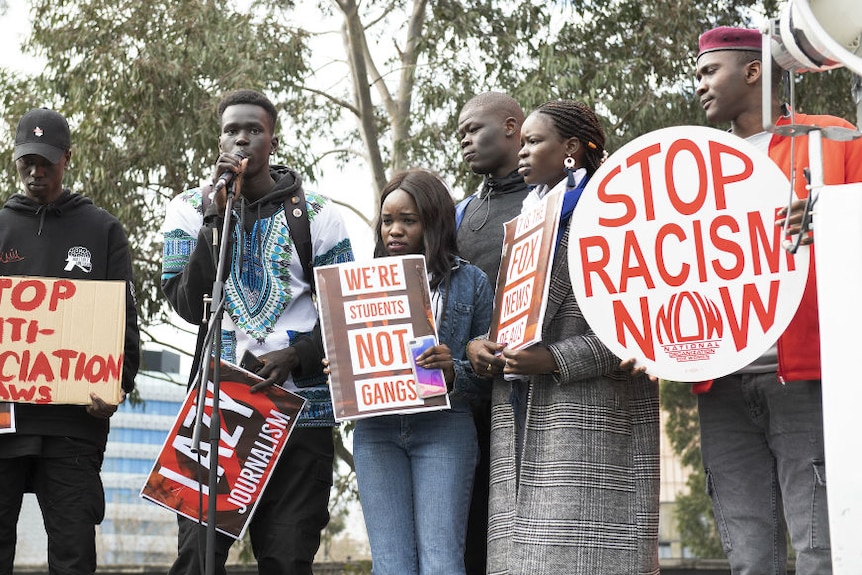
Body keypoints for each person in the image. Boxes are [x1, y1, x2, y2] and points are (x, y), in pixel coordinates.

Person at [160, 89, 354, 575]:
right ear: (219, 138)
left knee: (288, 558)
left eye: (253, 130)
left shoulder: (317, 214)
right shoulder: (188, 209)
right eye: (231, 130)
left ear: (272, 137)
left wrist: (297, 356)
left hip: (301, 412)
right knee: (197, 558)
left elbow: (345, 309)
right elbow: (186, 304)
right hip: (216, 409)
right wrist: (213, 219)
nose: (241, 139)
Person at [693, 26, 862, 575]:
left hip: (804, 375)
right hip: (719, 384)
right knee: (748, 558)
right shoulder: (693, 166)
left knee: (822, 550)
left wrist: (832, 218)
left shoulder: (833, 139)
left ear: (753, 70)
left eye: (707, 71)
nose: (698, 86)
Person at [467, 99, 661, 575]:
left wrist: (552, 359)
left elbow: (643, 326)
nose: (523, 153)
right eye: (524, 142)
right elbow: (509, 319)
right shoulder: (529, 220)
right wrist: (483, 348)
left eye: (535, 142)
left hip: (595, 423)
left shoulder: (617, 213)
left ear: (571, 148)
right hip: (518, 422)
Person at [0, 108, 140, 574]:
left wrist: (117, 385)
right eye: (27, 162)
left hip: (74, 425)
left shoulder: (102, 230)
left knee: (74, 553)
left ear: (67, 160)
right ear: (15, 161)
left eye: (47, 162)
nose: (36, 172)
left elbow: (123, 323)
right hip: (4, 421)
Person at [353, 168, 494, 575]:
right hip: (376, 431)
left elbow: (490, 376)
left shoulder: (471, 283)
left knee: (441, 561)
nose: (394, 230)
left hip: (445, 427)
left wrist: (454, 372)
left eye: (408, 221)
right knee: (391, 565)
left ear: (432, 222)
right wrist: (340, 369)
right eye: (387, 220)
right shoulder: (360, 283)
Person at [455, 91, 531, 575]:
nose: (463, 141)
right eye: (459, 134)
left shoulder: (554, 200)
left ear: (510, 126)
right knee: (469, 536)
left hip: (530, 390)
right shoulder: (458, 213)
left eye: (472, 129)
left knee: (524, 531)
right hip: (465, 393)